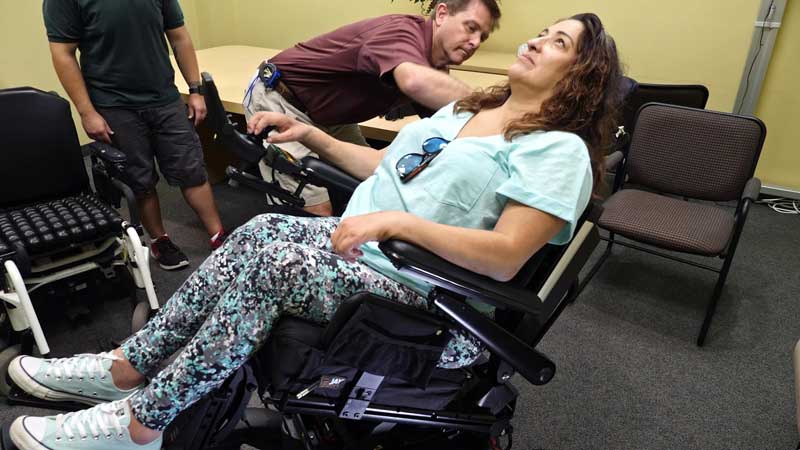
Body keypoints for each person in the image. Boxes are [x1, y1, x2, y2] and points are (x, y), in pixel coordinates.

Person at [8, 13, 622, 450]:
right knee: (257, 233)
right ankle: (127, 366)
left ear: (581, 78)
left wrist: (400, 221)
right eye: (544, 31)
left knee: (274, 266)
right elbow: (390, 168)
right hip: (372, 250)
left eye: (559, 41)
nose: (538, 40)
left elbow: (508, 258)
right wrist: (314, 136)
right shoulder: (469, 111)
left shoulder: (556, 149)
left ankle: (143, 425)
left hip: (424, 287)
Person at [243, 0, 501, 217]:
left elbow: (455, 125)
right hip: (281, 99)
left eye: (483, 37)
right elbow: (413, 80)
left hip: (332, 116)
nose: (475, 42)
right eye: (471, 28)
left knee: (374, 184)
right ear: (442, 14)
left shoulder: (436, 70)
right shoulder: (402, 33)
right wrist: (495, 106)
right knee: (314, 209)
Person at [42, 0, 227, 271]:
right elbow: (63, 53)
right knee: (139, 179)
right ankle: (159, 239)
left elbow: (179, 36)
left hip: (164, 97)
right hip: (113, 104)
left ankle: (218, 236)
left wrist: (195, 89)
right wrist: (87, 112)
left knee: (192, 169)